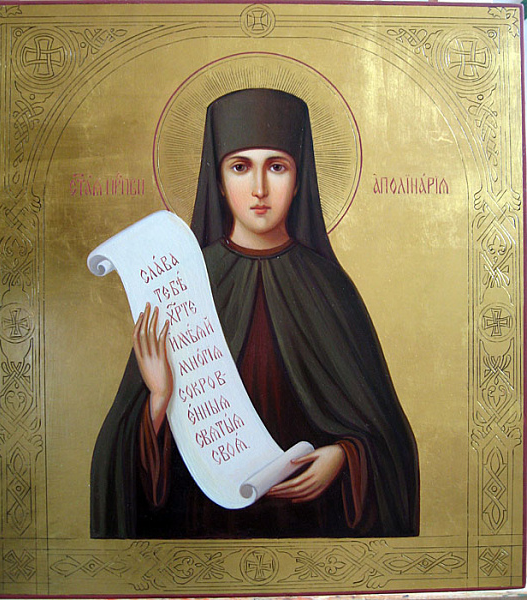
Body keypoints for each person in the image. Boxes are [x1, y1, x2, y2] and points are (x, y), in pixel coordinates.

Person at [91, 88, 419, 539]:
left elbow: (390, 441)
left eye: (277, 167)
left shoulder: (329, 288)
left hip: (314, 532)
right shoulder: (183, 283)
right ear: (218, 179)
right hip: (205, 534)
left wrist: (346, 457)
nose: (260, 189)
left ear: (299, 179)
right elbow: (114, 460)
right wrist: (160, 398)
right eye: (241, 167)